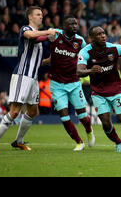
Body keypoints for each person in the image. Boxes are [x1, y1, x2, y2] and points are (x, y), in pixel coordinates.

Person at [0, 6, 56, 152]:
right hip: (22, 76)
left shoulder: (39, 37)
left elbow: (36, 61)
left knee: (32, 111)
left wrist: (48, 60)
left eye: (41, 14)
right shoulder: (25, 29)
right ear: (30, 17)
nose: (41, 16)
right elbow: (31, 36)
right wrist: (49, 31)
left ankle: (18, 141)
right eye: (38, 14)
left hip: (33, 78)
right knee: (15, 112)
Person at [77, 26, 121, 152]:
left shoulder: (114, 48)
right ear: (91, 38)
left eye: (103, 33)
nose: (103, 36)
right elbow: (79, 71)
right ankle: (118, 142)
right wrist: (90, 70)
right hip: (98, 92)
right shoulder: (85, 52)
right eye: (99, 34)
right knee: (105, 122)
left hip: (116, 89)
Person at [43, 16, 95, 151]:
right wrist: (47, 60)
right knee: (64, 115)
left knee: (82, 115)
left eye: (75, 24)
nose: (74, 26)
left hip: (73, 82)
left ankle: (89, 130)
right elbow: (44, 34)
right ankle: (79, 142)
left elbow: (86, 55)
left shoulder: (80, 41)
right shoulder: (55, 35)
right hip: (56, 83)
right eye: (71, 24)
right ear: (63, 26)